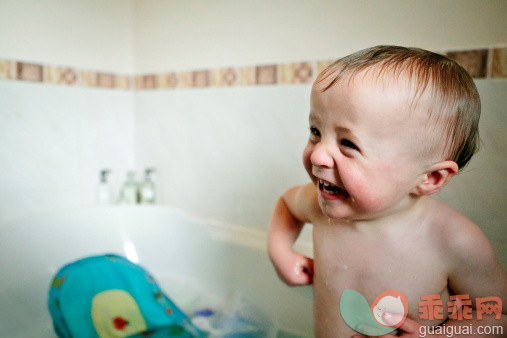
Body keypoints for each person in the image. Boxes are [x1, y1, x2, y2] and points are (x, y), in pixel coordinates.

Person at [267, 46, 507, 337]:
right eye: (316, 131)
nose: (318, 155)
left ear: (431, 177)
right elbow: (287, 204)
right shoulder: (319, 204)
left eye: (348, 144)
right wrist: (280, 251)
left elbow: (498, 316)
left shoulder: (452, 240)